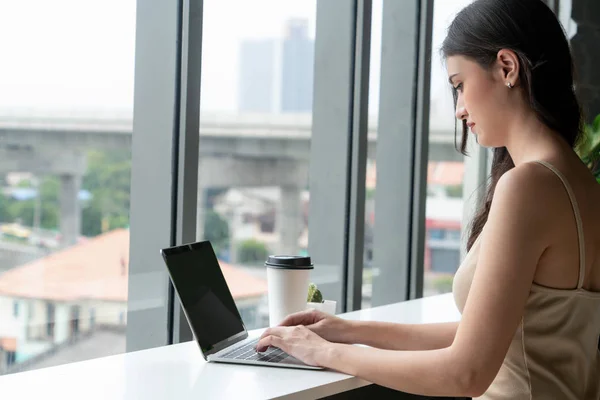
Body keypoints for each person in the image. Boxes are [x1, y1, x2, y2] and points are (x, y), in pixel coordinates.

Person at [255, 0, 600, 398]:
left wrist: (322, 351)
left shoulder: (528, 187)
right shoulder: (582, 184)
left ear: (507, 68)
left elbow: (465, 372)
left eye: (459, 85)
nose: (459, 110)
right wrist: (348, 330)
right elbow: (502, 337)